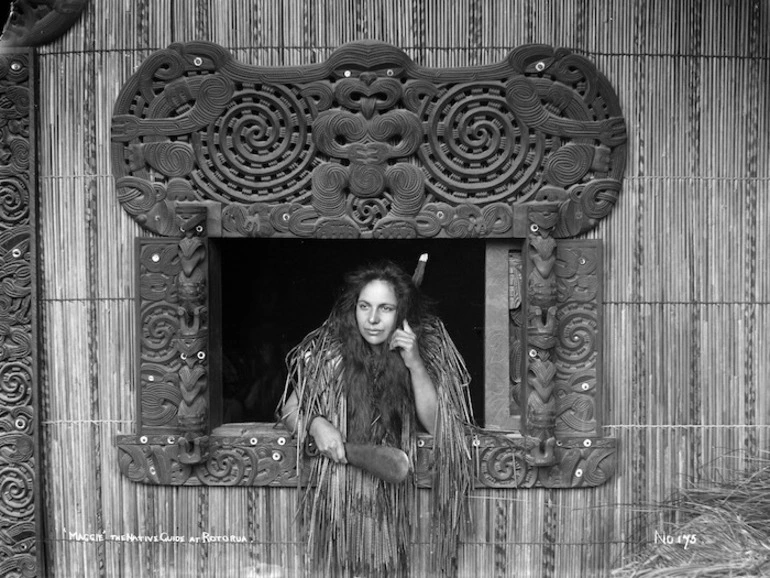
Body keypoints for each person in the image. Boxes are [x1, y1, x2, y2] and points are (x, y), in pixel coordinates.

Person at [279, 259, 475, 577]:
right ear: (352, 308)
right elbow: (291, 409)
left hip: (403, 511)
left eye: (385, 308)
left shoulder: (424, 352)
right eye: (364, 306)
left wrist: (413, 363)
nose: (371, 319)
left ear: (402, 313)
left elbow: (438, 425)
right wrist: (317, 425)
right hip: (341, 503)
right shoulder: (331, 356)